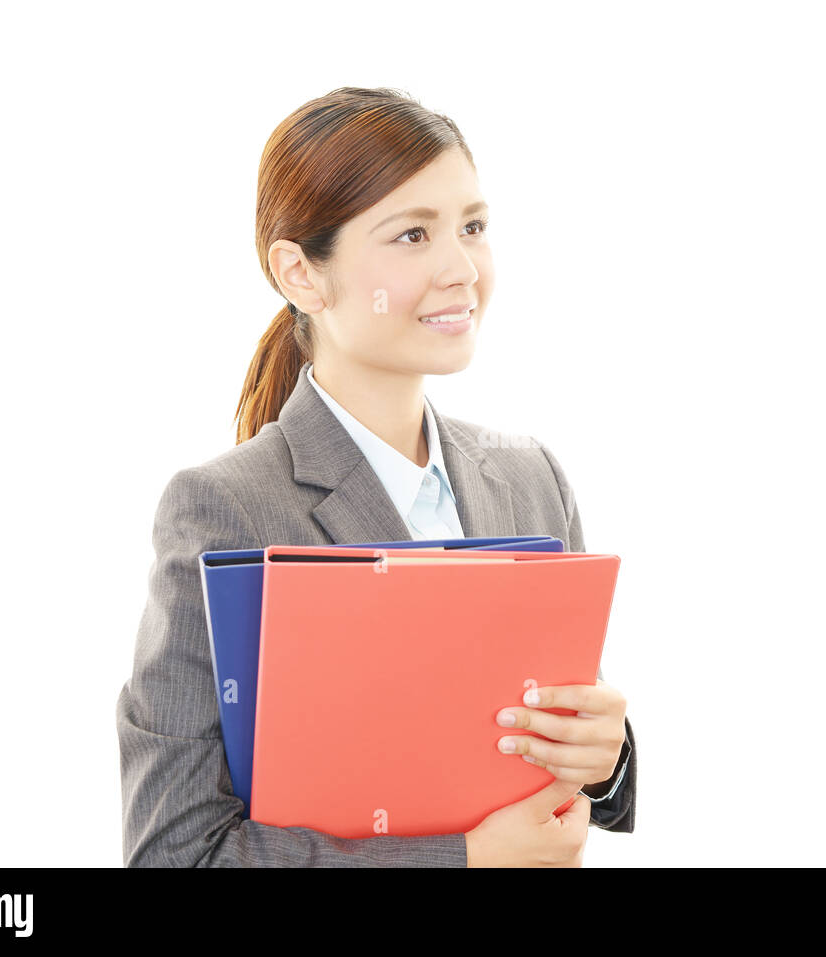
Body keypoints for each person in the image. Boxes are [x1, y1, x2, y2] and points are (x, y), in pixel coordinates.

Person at [115, 87, 636, 867]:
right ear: (301, 273)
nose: (461, 268)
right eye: (413, 234)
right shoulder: (225, 509)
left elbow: (560, 763)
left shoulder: (531, 479)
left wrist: (609, 758)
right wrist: (463, 858)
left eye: (473, 227)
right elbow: (175, 851)